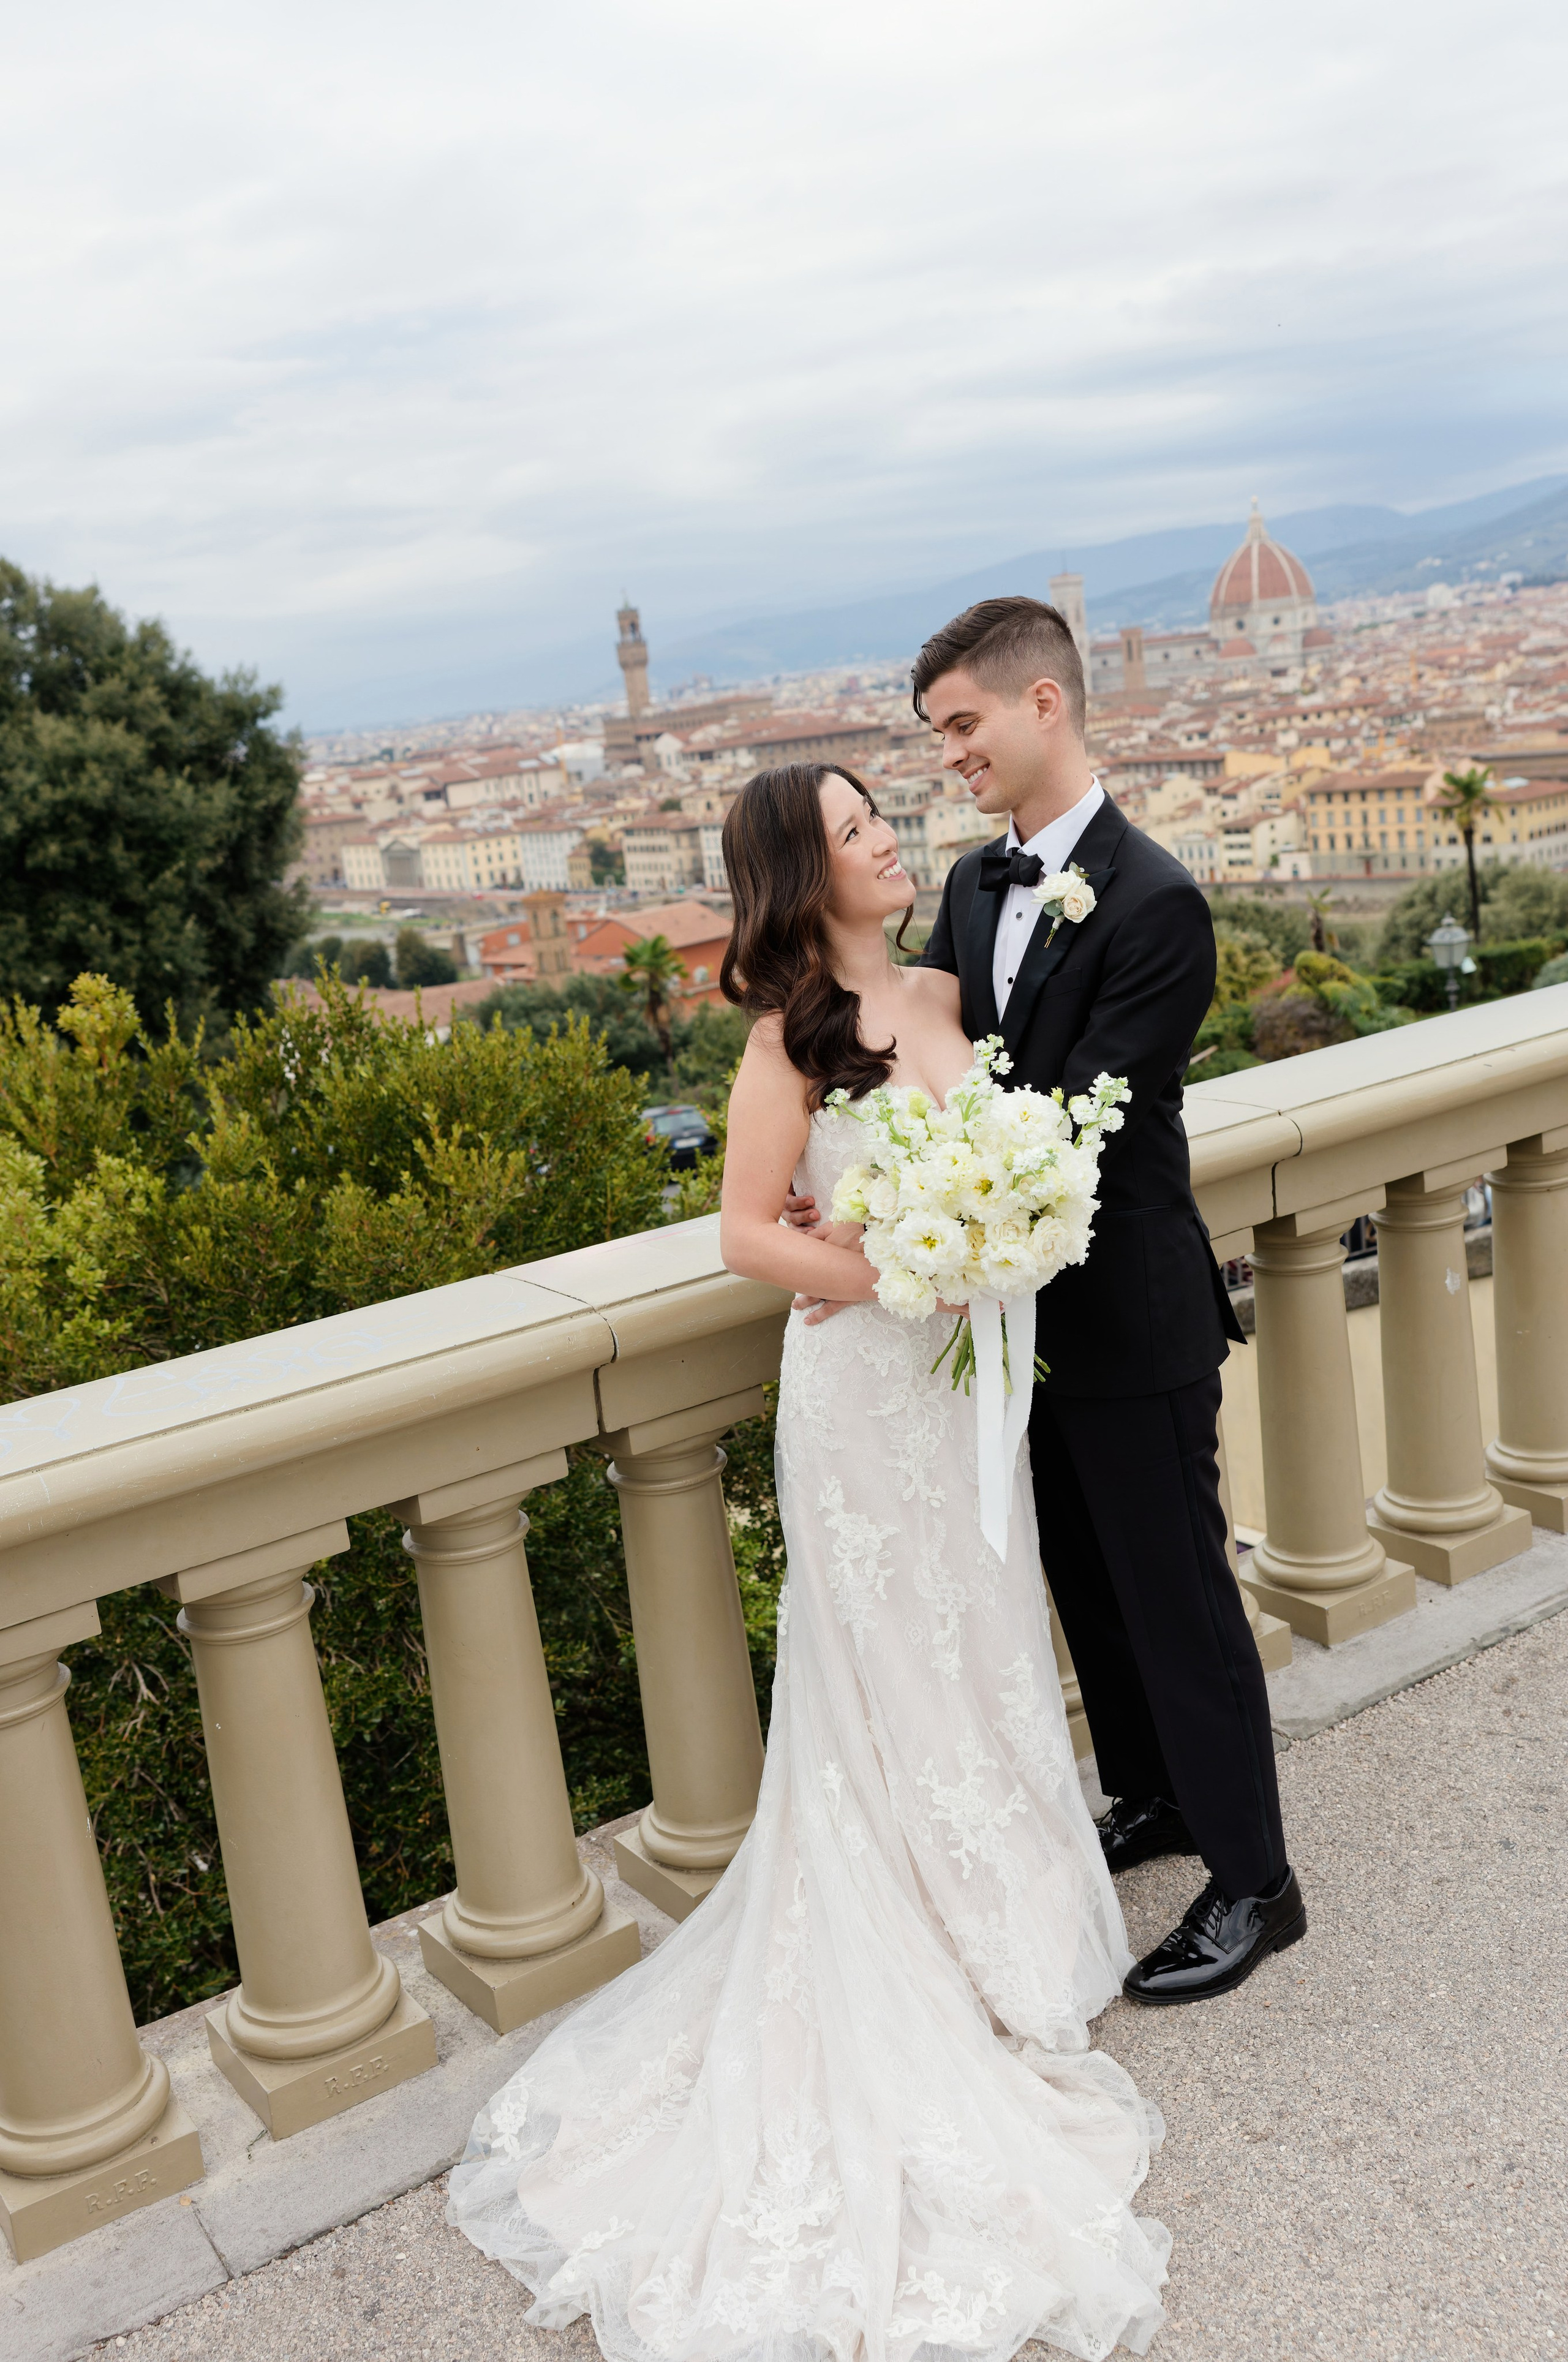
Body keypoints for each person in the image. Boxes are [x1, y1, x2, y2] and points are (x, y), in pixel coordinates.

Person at [448, 758, 1170, 2361]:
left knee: (983, 1641)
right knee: (886, 1670)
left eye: (882, 819)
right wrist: (887, 1255)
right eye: (854, 831)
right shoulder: (790, 1038)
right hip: (863, 1400)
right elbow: (744, 1230)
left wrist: (1011, 1221)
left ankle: (1008, 1932)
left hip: (961, 1385)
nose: (887, 841)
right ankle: (921, 1951)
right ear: (799, 871)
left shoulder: (936, 992)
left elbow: (1005, 1153)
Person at [900, 595, 1303, 2004]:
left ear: (1042, 705)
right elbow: (930, 1058)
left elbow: (1087, 1123)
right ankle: (1154, 1796)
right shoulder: (967, 887)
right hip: (1019, 1323)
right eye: (938, 733)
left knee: (1178, 1595)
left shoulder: (1155, 900)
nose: (949, 753)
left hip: (1127, 1311)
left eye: (962, 724)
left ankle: (1256, 1877)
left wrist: (935, 1192)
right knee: (1088, 1583)